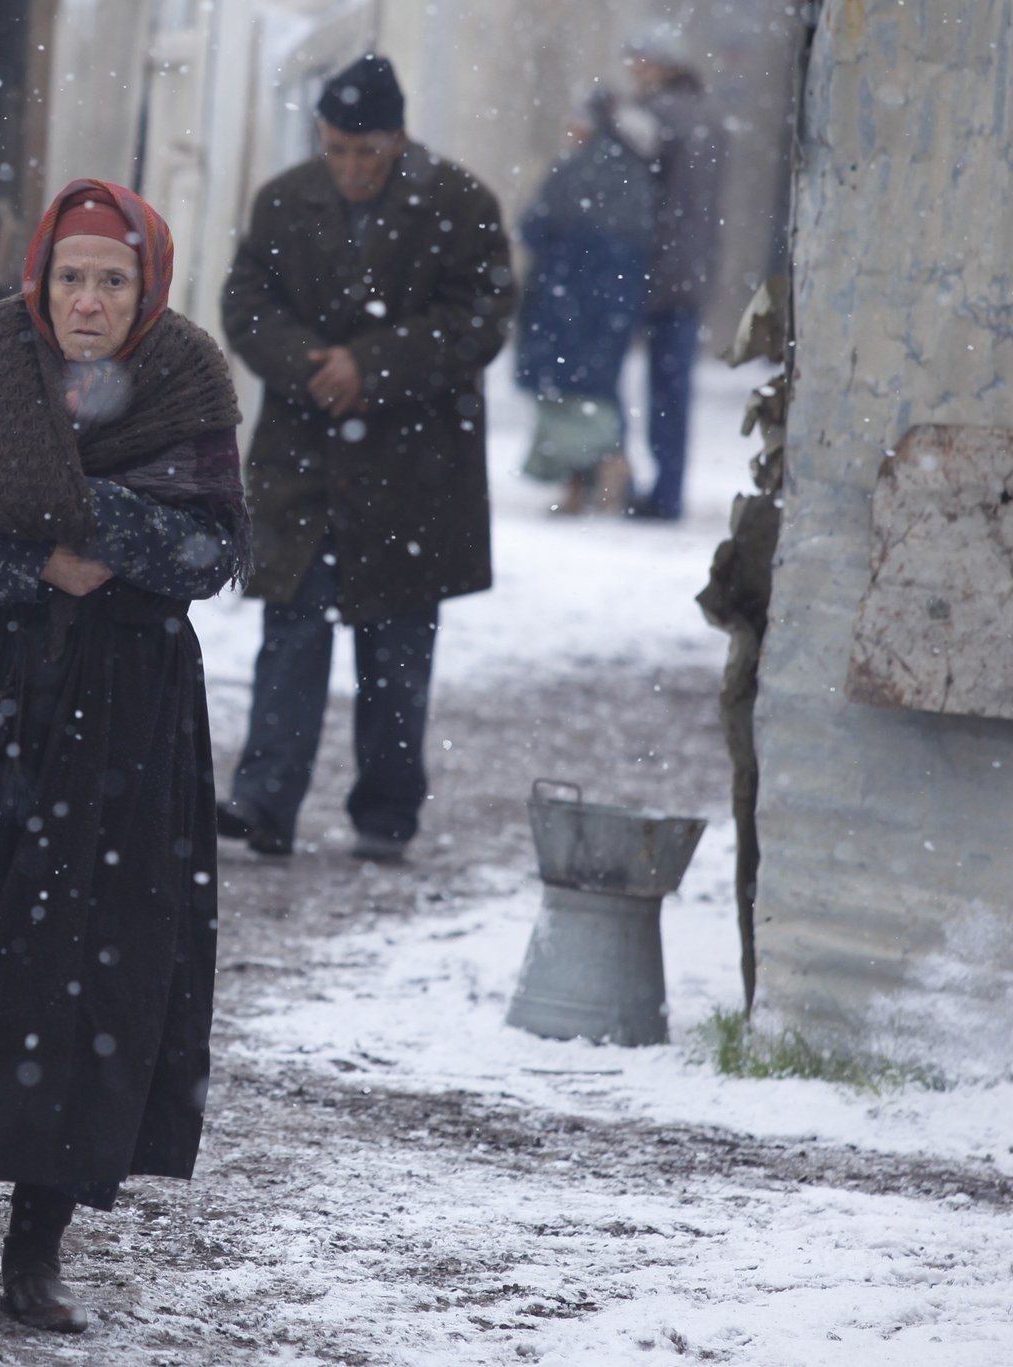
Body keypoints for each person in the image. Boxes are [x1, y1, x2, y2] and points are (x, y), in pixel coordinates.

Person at [0, 179, 248, 1334]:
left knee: (84, 955)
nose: (86, 299)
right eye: (69, 276)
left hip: (123, 707)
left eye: (110, 280)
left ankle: (37, 1241)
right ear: (40, 279)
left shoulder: (184, 380)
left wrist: (80, 522)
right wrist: (35, 570)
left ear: (147, 289)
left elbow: (213, 543)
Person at [217, 53, 514, 863]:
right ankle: (264, 799)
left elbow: (483, 316)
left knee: (396, 650)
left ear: (399, 139)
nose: (351, 168)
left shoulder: (457, 204)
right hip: (305, 463)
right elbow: (246, 302)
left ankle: (386, 814)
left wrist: (375, 367)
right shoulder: (284, 203)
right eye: (337, 149)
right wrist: (310, 362)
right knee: (293, 632)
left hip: (412, 471)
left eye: (367, 153)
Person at [515, 87, 659, 516]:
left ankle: (579, 484)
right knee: (596, 390)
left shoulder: (576, 170)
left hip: (565, 299)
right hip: (611, 300)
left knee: (565, 394)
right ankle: (605, 471)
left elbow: (533, 227)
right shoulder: (635, 173)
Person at [623, 20, 730, 521]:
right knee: (673, 387)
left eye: (639, 62)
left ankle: (644, 488)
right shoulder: (708, 114)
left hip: (653, 266)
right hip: (693, 267)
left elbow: (637, 191)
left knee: (631, 382)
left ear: (659, 65)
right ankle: (668, 488)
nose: (634, 72)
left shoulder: (654, 116)